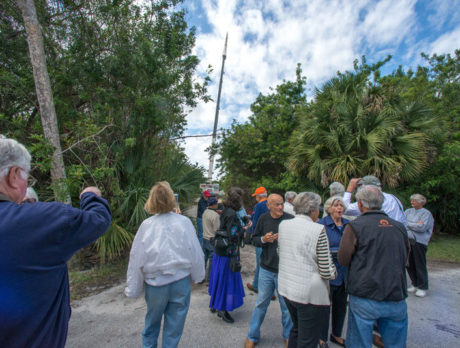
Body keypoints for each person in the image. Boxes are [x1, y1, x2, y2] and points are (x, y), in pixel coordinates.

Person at [0, 137, 112, 348]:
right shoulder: (37, 221)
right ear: (13, 175)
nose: (26, 187)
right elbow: (98, 220)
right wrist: (90, 196)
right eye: (27, 178)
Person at [125, 181, 204, 348]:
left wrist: (134, 288)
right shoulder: (183, 222)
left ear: (151, 201)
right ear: (172, 199)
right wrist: (199, 275)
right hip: (180, 283)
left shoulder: (146, 226)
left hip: (156, 285)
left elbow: (136, 257)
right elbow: (195, 251)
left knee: (151, 324)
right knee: (174, 327)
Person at [338, 185, 409, 348]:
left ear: (361, 204)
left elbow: (343, 258)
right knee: (396, 343)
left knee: (359, 342)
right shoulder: (399, 227)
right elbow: (405, 258)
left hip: (365, 293)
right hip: (396, 294)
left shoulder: (355, 226)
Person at [278, 192, 336, 348]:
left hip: (286, 288)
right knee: (308, 339)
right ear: (313, 210)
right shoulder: (318, 229)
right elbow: (326, 270)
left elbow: (281, 251)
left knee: (296, 329)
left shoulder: (284, 225)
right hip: (308, 293)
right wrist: (334, 270)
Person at [245, 194, 294, 348]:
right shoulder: (263, 219)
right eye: (277, 204)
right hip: (266, 269)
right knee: (260, 304)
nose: (280, 207)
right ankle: (252, 336)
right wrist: (263, 240)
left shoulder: (290, 219)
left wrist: (285, 238)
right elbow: (253, 239)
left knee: (286, 307)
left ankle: (288, 336)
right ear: (269, 205)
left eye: (282, 204)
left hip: (284, 270)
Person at [208, 187, 245, 323]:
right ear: (239, 200)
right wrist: (244, 229)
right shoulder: (232, 214)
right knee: (225, 280)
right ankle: (222, 309)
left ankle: (215, 304)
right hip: (227, 253)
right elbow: (233, 235)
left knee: (218, 277)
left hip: (220, 250)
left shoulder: (225, 210)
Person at [318, 196, 349, 347]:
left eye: (341, 206)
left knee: (341, 306)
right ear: (329, 208)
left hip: (345, 273)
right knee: (324, 307)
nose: (339, 208)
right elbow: (318, 248)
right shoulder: (321, 224)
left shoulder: (349, 225)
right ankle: (321, 337)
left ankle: (336, 334)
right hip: (328, 272)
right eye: (336, 205)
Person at [405, 194, 434, 298]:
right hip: (408, 240)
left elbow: (422, 227)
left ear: (421, 202)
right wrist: (415, 224)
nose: (412, 202)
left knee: (419, 263)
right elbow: (402, 222)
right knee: (409, 263)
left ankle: (422, 287)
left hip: (419, 242)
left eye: (415, 201)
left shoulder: (426, 214)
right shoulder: (408, 211)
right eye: (412, 200)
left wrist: (410, 224)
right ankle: (414, 283)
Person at [246, 186, 269, 294]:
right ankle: (260, 285)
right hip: (272, 237)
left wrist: (250, 234)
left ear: (259, 196)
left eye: (256, 196)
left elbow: (254, 222)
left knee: (260, 263)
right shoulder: (272, 204)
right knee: (269, 262)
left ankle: (261, 288)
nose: (255, 198)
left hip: (261, 237)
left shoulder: (259, 206)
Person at [202, 196, 220, 281]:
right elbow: (217, 229)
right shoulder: (215, 215)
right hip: (212, 239)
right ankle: (209, 279)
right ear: (214, 204)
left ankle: (201, 277)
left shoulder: (205, 212)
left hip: (205, 237)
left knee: (204, 259)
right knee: (212, 259)